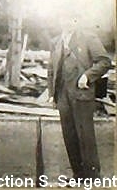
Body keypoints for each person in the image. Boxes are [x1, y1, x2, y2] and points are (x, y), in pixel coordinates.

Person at [47, 19, 111, 179]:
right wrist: (51, 94)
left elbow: (104, 61)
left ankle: (93, 176)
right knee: (69, 135)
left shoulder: (88, 38)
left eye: (71, 17)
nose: (66, 21)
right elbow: (51, 69)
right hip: (63, 95)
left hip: (82, 94)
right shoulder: (56, 42)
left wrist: (87, 76)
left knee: (85, 135)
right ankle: (78, 174)